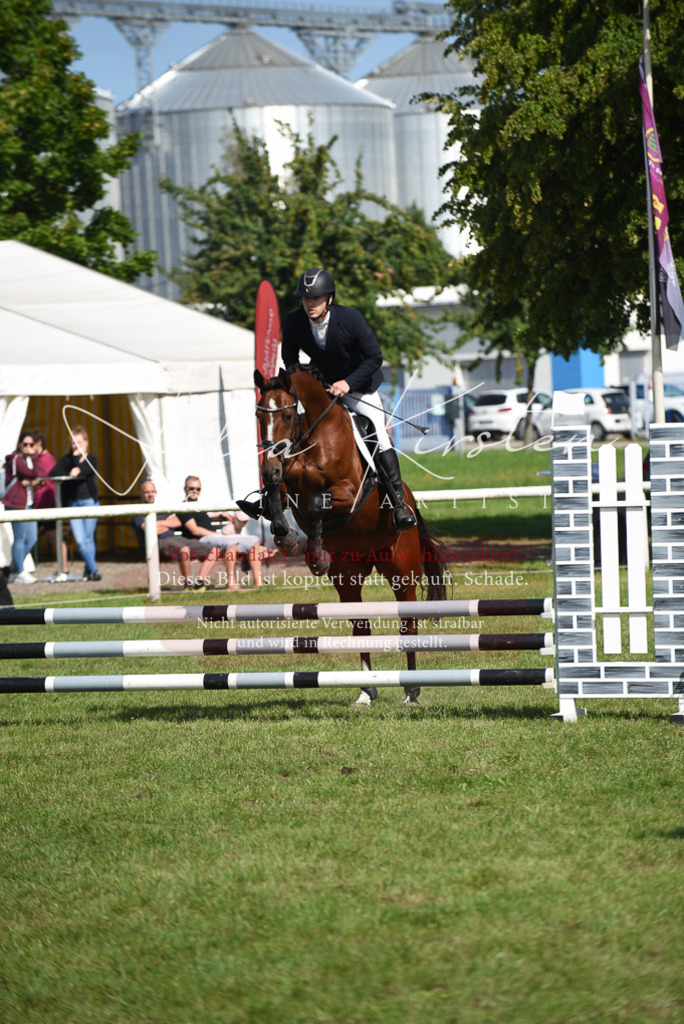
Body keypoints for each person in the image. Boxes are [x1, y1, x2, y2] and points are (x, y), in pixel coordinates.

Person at [245, 268, 416, 530]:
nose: (309, 304)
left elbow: (374, 358)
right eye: (305, 299)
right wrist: (306, 386)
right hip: (322, 391)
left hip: (360, 389)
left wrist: (348, 383)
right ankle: (272, 501)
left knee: (378, 434)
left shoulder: (351, 319)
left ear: (329, 299)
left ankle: (397, 504)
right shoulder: (294, 322)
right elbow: (290, 361)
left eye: (315, 299)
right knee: (289, 429)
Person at [49, 426, 101, 581]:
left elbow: (85, 471)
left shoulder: (91, 459)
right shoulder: (66, 459)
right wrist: (73, 464)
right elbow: (53, 473)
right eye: (73, 443)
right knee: (80, 540)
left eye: (78, 442)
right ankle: (94, 569)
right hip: (73, 503)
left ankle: (89, 570)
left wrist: (78, 466)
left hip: (89, 501)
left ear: (86, 442)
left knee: (88, 538)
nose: (75, 446)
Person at [2, 430, 41, 583]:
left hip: (28, 504)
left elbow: (40, 473)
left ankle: (13, 570)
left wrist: (30, 479)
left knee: (32, 538)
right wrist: (34, 457)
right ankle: (19, 571)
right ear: (19, 444)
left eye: (31, 444)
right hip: (16, 504)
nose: (28, 447)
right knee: (19, 538)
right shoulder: (16, 459)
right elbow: (33, 474)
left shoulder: (28, 460)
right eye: (25, 444)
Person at [30, 431, 69, 576]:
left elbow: (45, 480)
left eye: (32, 445)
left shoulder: (46, 459)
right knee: (30, 537)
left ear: (39, 443)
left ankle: (63, 568)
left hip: (47, 504)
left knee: (54, 537)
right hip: (39, 504)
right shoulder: (39, 458)